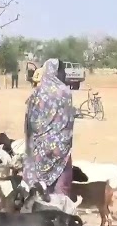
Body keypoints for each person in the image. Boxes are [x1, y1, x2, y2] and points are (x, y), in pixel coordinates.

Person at [23, 58, 77, 213]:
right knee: (61, 182)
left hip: (39, 147)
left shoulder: (37, 92)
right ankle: (60, 215)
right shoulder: (66, 92)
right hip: (61, 146)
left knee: (37, 181)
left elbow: (29, 120)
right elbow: (69, 119)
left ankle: (35, 214)